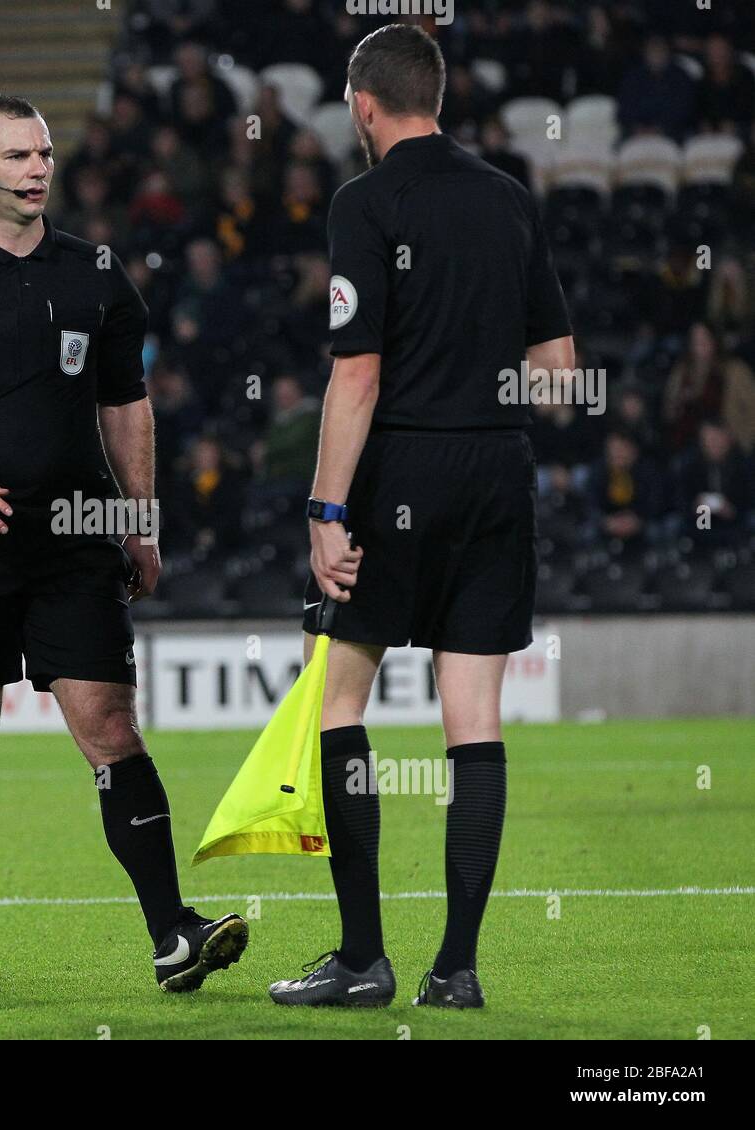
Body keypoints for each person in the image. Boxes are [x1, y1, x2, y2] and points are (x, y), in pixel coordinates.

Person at [0, 95, 248, 994]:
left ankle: (172, 934)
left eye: (44, 154)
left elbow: (125, 403)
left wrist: (139, 518)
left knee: (111, 726)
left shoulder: (98, 278)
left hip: (77, 538)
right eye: (19, 156)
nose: (38, 169)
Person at [267, 25, 574, 1011]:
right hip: (496, 469)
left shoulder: (365, 202)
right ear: (433, 97)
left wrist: (324, 508)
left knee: (338, 705)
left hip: (400, 463)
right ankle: (457, 968)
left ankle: (362, 958)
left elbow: (354, 373)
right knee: (472, 724)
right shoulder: (507, 197)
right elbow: (560, 380)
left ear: (363, 103)